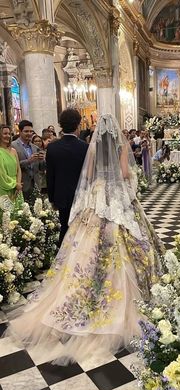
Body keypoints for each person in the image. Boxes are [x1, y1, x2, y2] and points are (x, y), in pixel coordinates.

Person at [6, 114, 164, 366]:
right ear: (116, 135)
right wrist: (128, 179)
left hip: (96, 198)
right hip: (117, 200)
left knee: (84, 250)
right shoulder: (121, 147)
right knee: (126, 243)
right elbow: (124, 173)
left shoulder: (93, 147)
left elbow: (88, 176)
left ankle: (80, 291)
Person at [46, 108, 88, 246]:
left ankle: (62, 261)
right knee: (81, 229)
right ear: (78, 124)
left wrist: (52, 198)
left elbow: (50, 176)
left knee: (65, 227)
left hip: (61, 196)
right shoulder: (85, 147)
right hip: (81, 196)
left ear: (61, 125)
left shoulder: (52, 148)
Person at [11, 120, 45, 201]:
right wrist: (28, 161)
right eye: (26, 131)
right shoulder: (13, 146)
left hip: (36, 185)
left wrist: (43, 160)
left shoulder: (35, 147)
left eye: (31, 131)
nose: (29, 133)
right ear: (20, 131)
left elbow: (41, 168)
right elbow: (13, 166)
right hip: (21, 185)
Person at [0, 125, 22, 202]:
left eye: (9, 134)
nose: (8, 136)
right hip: (4, 187)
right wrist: (15, 184)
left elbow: (18, 169)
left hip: (17, 187)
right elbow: (1, 174)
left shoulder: (13, 151)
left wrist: (18, 184)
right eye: (5, 133)